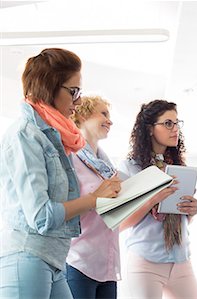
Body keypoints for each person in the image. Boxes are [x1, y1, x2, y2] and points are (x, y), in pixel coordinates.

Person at [0, 48, 121, 299]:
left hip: (54, 260)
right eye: (73, 91)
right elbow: (41, 216)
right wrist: (94, 199)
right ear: (49, 87)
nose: (78, 101)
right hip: (29, 255)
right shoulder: (26, 134)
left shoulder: (58, 139)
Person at [118, 99, 197, 299]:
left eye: (176, 123)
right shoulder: (130, 168)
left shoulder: (179, 168)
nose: (175, 129)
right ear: (149, 129)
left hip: (180, 258)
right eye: (168, 123)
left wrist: (190, 210)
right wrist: (151, 200)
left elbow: (181, 219)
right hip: (146, 261)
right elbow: (120, 224)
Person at [64, 95, 120, 298]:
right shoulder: (70, 159)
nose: (110, 120)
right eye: (103, 113)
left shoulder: (108, 167)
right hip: (79, 261)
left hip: (107, 264)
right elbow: (65, 210)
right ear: (82, 115)